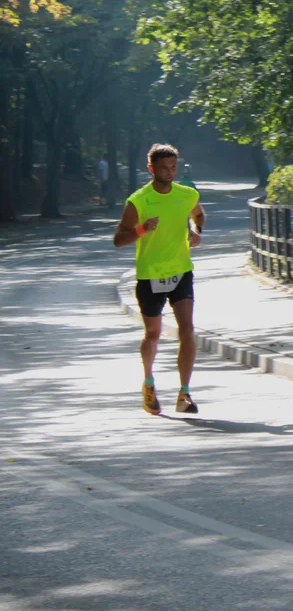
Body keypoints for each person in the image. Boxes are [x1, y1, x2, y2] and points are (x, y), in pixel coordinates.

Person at [113, 143, 206, 415]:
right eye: (164, 167)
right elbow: (119, 239)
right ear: (151, 168)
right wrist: (141, 229)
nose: (169, 172)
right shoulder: (138, 201)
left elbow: (198, 214)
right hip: (150, 275)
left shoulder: (187, 194)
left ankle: (184, 394)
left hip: (181, 272)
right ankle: (149, 383)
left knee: (187, 330)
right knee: (153, 334)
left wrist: (196, 230)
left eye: (173, 167)